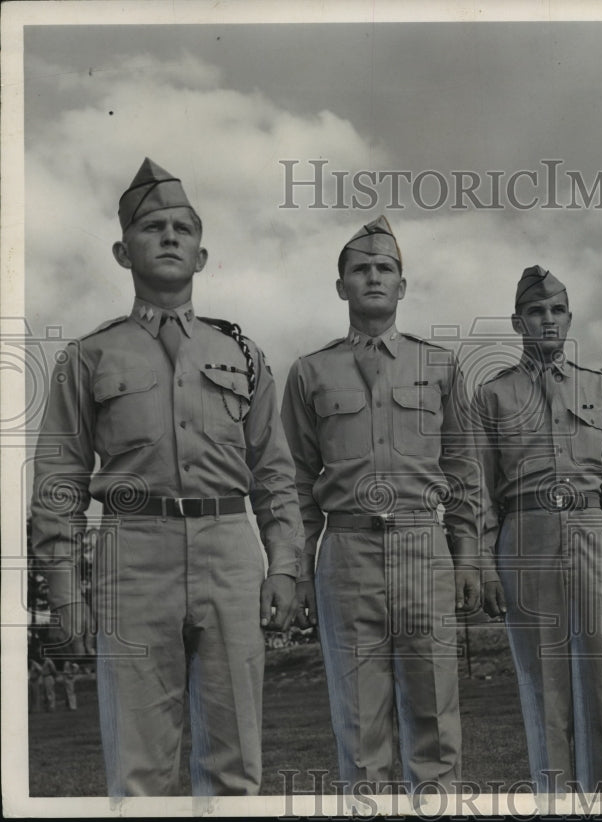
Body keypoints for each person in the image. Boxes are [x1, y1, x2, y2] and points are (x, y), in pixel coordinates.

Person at [30, 158, 303, 796]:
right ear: (124, 251)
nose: (171, 236)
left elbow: (275, 473)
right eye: (154, 227)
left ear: (202, 256)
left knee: (235, 766)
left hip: (231, 552)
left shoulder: (242, 354)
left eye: (184, 227)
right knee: (138, 769)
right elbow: (60, 484)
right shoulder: (87, 358)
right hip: (133, 554)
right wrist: (66, 591)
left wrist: (285, 564)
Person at [280, 216, 480, 802]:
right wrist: (295, 570)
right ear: (340, 285)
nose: (373, 277)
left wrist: (468, 558)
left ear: (402, 285)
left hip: (423, 544)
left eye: (384, 269)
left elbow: (464, 473)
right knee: (360, 724)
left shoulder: (440, 367)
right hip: (345, 551)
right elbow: (294, 480)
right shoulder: (310, 372)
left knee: (435, 717)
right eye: (360, 269)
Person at [476, 265, 602, 799]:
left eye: (557, 311)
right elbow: (480, 491)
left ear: (570, 318)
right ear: (517, 321)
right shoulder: (493, 395)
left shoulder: (598, 387)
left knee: (600, 687)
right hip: (525, 533)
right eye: (536, 311)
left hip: (592, 530)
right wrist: (484, 563)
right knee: (544, 688)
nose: (548, 320)